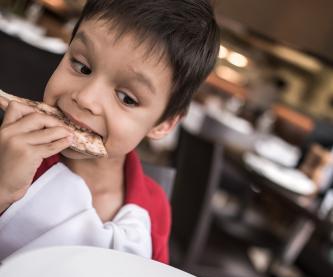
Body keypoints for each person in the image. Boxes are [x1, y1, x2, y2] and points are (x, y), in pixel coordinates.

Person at [0, 0, 220, 263]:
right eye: (82, 66)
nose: (85, 98)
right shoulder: (10, 150)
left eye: (126, 98)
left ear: (163, 124)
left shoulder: (154, 209)